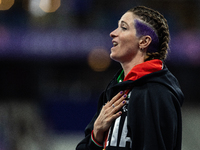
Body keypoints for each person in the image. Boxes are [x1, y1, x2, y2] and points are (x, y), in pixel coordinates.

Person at [76, 6, 184, 150]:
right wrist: (96, 134)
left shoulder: (156, 92)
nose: (113, 33)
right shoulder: (115, 90)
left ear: (144, 42)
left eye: (124, 28)